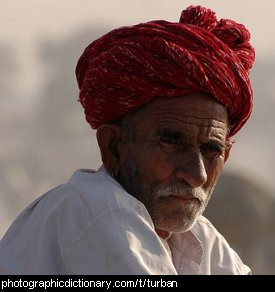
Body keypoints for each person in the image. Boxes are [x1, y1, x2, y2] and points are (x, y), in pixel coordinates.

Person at [0, 5, 255, 275]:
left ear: (225, 156)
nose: (197, 174)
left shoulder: (200, 240)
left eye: (211, 150)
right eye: (171, 142)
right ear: (113, 147)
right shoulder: (100, 211)